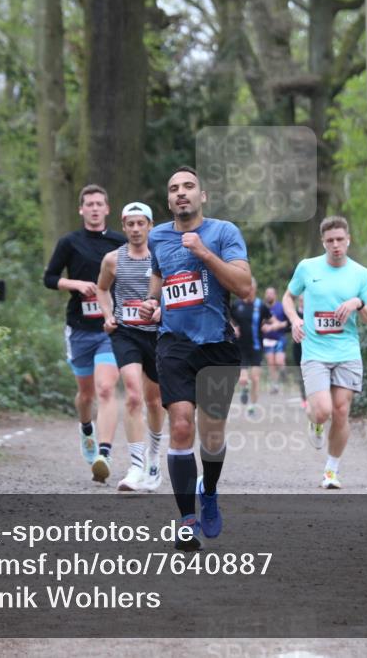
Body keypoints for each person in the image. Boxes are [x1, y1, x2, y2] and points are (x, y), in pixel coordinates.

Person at [138, 166, 252, 551]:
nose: (181, 193)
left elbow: (246, 287)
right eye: (173, 189)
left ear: (203, 196)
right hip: (174, 344)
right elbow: (159, 275)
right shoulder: (157, 237)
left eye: (188, 187)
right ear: (168, 200)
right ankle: (186, 520)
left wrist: (203, 252)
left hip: (217, 343)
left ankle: (210, 490)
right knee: (182, 425)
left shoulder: (224, 233)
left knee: (212, 433)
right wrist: (153, 302)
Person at [282, 216, 367, 489]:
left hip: (347, 352)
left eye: (340, 240)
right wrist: (295, 320)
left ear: (348, 240)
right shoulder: (307, 268)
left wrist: (358, 302)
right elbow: (288, 297)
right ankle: (315, 422)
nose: (336, 245)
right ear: (323, 242)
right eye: (330, 241)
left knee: (341, 410)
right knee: (323, 410)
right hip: (314, 351)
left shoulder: (360, 274)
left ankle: (331, 471)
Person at [44, 184, 126, 483]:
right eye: (88, 204)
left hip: (109, 327)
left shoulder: (120, 242)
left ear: (107, 209)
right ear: (81, 210)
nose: (93, 208)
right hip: (79, 329)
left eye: (98, 204)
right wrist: (76, 285)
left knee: (106, 389)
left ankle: (104, 453)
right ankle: (86, 428)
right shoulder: (69, 242)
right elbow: (49, 278)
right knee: (86, 394)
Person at [96, 202, 166, 492]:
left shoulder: (162, 256)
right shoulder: (112, 259)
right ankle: (136, 466)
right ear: (123, 227)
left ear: (150, 226)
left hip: (159, 334)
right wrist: (108, 314)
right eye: (130, 224)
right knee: (134, 396)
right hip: (127, 333)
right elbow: (101, 288)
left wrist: (164, 311)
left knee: (154, 401)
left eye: (141, 223)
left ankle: (154, 456)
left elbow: (173, 290)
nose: (136, 229)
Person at [231, 279, 274, 415]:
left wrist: (269, 326)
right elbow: (228, 320)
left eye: (251, 288)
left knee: (255, 378)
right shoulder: (237, 305)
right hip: (241, 348)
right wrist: (233, 328)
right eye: (246, 288)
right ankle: (244, 389)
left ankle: (252, 405)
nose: (249, 291)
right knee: (243, 378)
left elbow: (273, 321)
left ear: (255, 289)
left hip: (256, 347)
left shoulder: (260, 305)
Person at [261, 286, 289, 395]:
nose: (269, 295)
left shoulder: (281, 307)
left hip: (279, 338)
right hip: (267, 340)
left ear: (275, 295)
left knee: (279, 361)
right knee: (271, 363)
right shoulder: (262, 308)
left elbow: (288, 323)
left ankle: (284, 375)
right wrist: (261, 327)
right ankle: (275, 385)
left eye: (271, 293)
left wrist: (275, 326)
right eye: (267, 293)